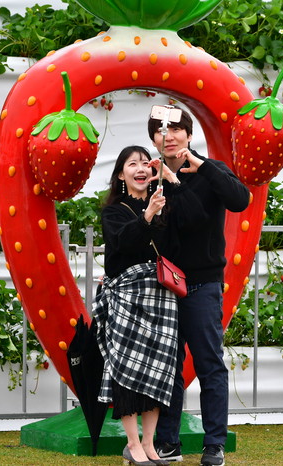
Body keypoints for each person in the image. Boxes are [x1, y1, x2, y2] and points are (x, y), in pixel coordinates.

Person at [150, 107, 250, 466]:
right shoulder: (152, 176)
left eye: (177, 129)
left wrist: (201, 169)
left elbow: (240, 200)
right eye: (161, 131)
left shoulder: (210, 170)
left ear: (189, 135)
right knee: (167, 365)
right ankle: (168, 442)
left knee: (209, 362)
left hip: (203, 283)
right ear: (154, 139)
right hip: (164, 284)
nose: (169, 136)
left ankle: (214, 444)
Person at [93, 145, 180, 466]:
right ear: (121, 174)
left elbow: (173, 247)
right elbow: (121, 244)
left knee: (158, 370)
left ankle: (149, 444)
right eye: (132, 164)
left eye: (146, 163)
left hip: (161, 296)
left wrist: (161, 206)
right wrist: (147, 215)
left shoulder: (164, 205)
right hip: (126, 296)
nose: (141, 169)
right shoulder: (113, 211)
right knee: (125, 368)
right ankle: (132, 444)